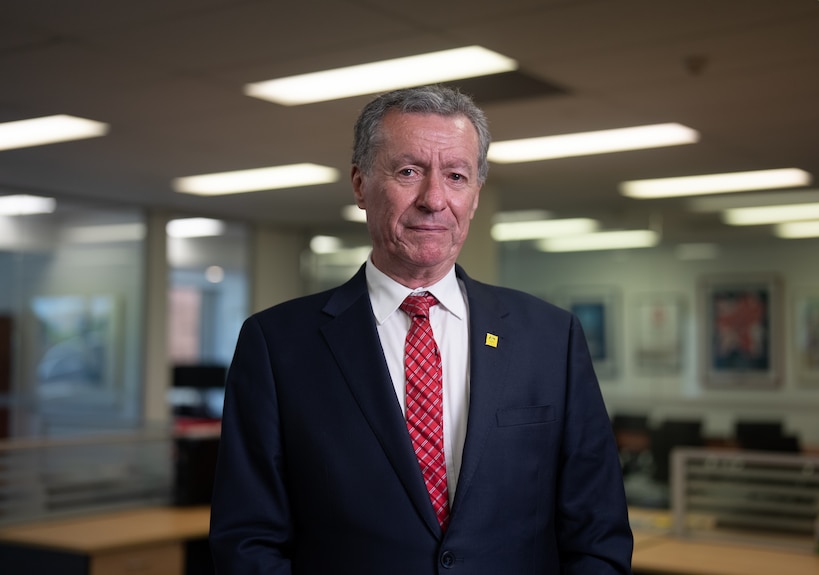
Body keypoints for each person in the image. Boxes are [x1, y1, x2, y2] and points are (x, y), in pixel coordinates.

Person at [209, 85, 633, 574]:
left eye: (456, 176)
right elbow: (248, 540)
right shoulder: (276, 344)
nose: (434, 199)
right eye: (408, 171)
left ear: (474, 196)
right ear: (360, 184)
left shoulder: (551, 338)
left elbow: (598, 531)